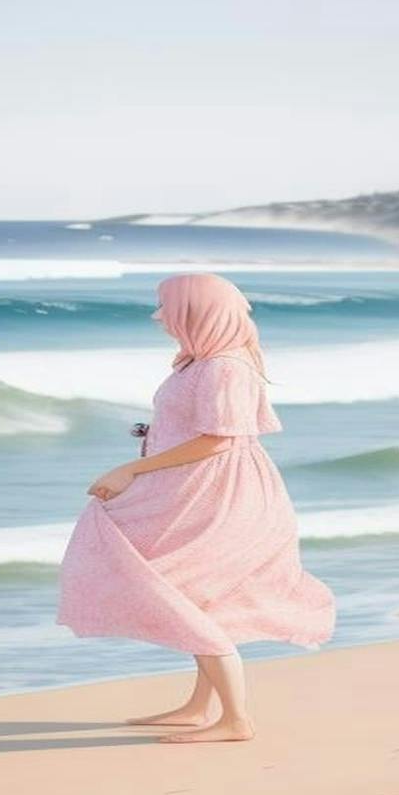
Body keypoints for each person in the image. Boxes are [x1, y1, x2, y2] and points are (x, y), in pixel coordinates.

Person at [56, 273, 336, 743]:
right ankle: (200, 706)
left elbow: (219, 439)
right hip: (201, 489)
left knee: (181, 591)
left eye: (167, 307)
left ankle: (235, 720)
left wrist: (131, 470)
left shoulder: (222, 367)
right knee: (202, 596)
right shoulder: (199, 363)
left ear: (197, 311)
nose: (159, 316)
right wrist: (154, 435)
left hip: (222, 496)